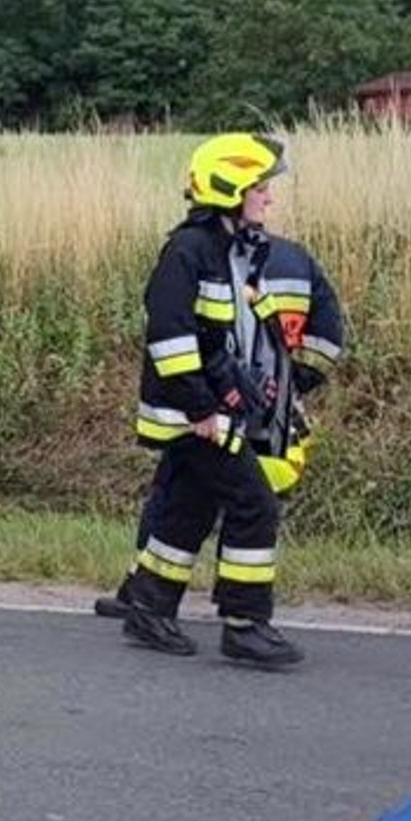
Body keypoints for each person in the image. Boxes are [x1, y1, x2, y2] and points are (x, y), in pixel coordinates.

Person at [114, 133, 304, 669]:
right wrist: (202, 410)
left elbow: (211, 339)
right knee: (254, 502)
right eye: (261, 187)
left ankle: (149, 608)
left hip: (204, 408)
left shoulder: (221, 249)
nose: (269, 197)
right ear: (231, 188)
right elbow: (171, 341)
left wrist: (237, 390)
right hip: (189, 413)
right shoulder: (187, 252)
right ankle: (245, 623)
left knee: (189, 507)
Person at [95, 228, 346, 619]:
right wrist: (293, 384)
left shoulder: (217, 259)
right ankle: (170, 605)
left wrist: (205, 400)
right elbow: (328, 335)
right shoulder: (297, 261)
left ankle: (176, 604)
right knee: (220, 501)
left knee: (208, 498)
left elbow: (195, 341)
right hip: (264, 415)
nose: (268, 196)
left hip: (221, 407)